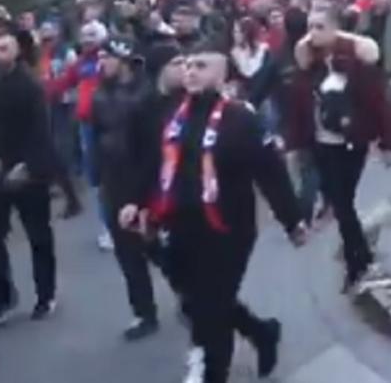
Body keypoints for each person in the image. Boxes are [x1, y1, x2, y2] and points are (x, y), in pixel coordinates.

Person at [120, 44, 308, 383]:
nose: (191, 71)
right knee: (197, 301)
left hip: (228, 231)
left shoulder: (242, 118)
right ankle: (262, 332)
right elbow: (154, 163)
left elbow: (271, 172)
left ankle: (214, 374)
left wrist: (292, 220)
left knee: (211, 314)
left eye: (202, 66)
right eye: (189, 65)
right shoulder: (173, 114)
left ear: (222, 75)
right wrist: (136, 201)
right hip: (180, 225)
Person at [292, 4, 391, 290]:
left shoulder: (357, 62)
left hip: (351, 144)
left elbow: (379, 103)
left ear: (334, 28)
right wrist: (295, 141)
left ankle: (359, 262)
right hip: (321, 144)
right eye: (310, 27)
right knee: (340, 203)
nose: (313, 33)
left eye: (320, 26)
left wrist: (388, 142)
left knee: (343, 204)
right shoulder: (309, 64)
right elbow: (299, 104)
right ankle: (359, 259)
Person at [0, 27, 58, 325]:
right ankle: (1, 297)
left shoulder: (30, 85)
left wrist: (28, 165)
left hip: (28, 172)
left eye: (3, 48)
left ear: (17, 51)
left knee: (38, 235)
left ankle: (45, 294)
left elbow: (41, 130)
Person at [92, 36, 160, 340]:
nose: (101, 63)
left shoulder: (146, 95)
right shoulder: (100, 94)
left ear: (122, 59)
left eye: (107, 57)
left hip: (144, 182)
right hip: (113, 181)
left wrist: (141, 194)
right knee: (127, 253)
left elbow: (151, 149)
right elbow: (97, 136)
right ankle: (144, 312)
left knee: (161, 248)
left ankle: (191, 297)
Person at [47, 20, 111, 249]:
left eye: (92, 35)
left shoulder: (110, 61)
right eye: (84, 35)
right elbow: (62, 83)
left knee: (113, 177)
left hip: (111, 125)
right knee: (97, 179)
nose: (87, 40)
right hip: (87, 126)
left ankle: (115, 225)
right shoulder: (82, 63)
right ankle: (108, 225)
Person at [36, 21, 83, 218]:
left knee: (63, 150)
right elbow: (43, 77)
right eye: (44, 37)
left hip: (69, 104)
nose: (47, 41)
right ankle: (70, 194)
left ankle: (73, 196)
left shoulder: (68, 53)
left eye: (50, 37)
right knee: (57, 150)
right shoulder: (44, 56)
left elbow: (75, 77)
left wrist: (59, 87)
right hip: (53, 106)